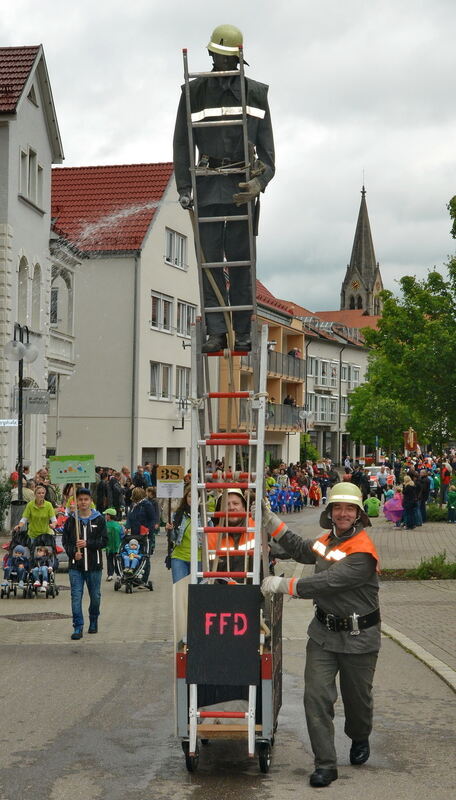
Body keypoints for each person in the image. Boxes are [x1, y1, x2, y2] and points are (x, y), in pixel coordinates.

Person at [261, 483, 380, 788]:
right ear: (329, 513)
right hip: (323, 635)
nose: (343, 513)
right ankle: (325, 764)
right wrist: (270, 520)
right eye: (338, 508)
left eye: (349, 509)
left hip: (359, 638)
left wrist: (282, 585)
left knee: (358, 702)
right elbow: (303, 549)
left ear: (358, 515)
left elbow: (329, 581)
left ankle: (359, 735)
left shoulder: (362, 553)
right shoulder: (327, 541)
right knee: (315, 696)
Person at [173, 23, 275, 353]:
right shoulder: (193, 93)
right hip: (208, 186)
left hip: (241, 188)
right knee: (211, 264)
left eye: (226, 57)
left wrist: (258, 182)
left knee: (242, 263)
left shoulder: (256, 94)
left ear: (239, 58)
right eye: (216, 56)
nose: (220, 63)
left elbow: (269, 155)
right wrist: (185, 187)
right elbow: (182, 145)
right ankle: (217, 332)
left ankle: (243, 333)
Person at [62, 487, 108, 640]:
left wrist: (88, 543)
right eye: (80, 499)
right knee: (76, 596)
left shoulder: (99, 519)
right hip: (76, 566)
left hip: (94, 566)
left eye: (86, 499)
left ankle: (93, 620)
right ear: (77, 501)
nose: (83, 502)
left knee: (95, 596)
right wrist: (72, 552)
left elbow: (104, 541)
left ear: (90, 501)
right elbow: (66, 541)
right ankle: (78, 626)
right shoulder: (71, 520)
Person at [165, 485, 200, 584]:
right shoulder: (178, 514)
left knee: (198, 594)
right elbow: (174, 539)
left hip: (199, 559)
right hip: (179, 558)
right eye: (189, 496)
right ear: (185, 498)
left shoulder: (205, 516)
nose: (191, 499)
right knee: (180, 591)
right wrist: (170, 530)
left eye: (195, 496)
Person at [103, 507, 123, 581]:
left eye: (106, 514)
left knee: (110, 561)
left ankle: (110, 574)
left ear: (109, 515)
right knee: (117, 561)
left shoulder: (105, 525)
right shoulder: (119, 525)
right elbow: (122, 535)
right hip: (117, 547)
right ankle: (118, 574)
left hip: (109, 547)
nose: (105, 516)